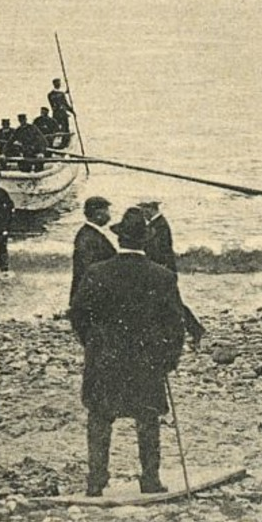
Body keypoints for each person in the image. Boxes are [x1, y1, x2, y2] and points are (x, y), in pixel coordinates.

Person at [68, 211, 186, 496]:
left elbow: (77, 313)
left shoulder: (97, 273)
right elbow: (175, 323)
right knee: (147, 418)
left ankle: (96, 481)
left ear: (119, 237)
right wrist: (168, 359)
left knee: (99, 417)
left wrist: (92, 344)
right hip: (146, 360)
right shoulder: (162, 276)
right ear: (145, 241)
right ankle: (150, 480)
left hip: (104, 357)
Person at [126, 203, 205, 348]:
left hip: (163, 272)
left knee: (172, 304)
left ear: (150, 209)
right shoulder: (159, 224)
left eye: (143, 210)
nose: (143, 214)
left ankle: (195, 330)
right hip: (163, 271)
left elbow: (156, 252)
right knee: (168, 304)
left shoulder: (159, 226)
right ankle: (192, 331)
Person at [70, 195, 119, 302]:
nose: (109, 215)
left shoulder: (90, 233)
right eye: (106, 210)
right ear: (97, 214)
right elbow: (86, 269)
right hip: (90, 297)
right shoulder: (88, 236)